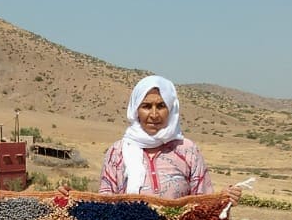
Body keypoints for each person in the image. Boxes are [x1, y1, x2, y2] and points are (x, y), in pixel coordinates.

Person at [76, 75, 240, 204]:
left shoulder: (187, 150)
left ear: (171, 109)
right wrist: (70, 199)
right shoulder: (117, 152)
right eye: (146, 106)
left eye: (161, 106)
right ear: (135, 110)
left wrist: (223, 198)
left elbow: (203, 204)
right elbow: (104, 205)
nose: (154, 115)